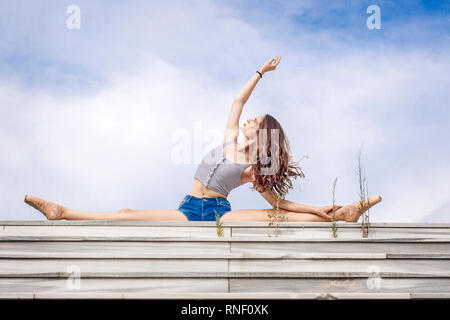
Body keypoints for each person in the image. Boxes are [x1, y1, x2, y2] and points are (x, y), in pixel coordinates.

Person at [24, 56, 382, 222]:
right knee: (127, 213)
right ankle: (62, 211)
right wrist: (261, 72)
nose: (248, 119)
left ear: (262, 135)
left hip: (214, 214)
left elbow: (281, 204)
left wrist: (316, 207)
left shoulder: (252, 168)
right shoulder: (230, 139)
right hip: (187, 207)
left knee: (275, 217)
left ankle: (339, 213)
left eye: (255, 120)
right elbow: (237, 101)